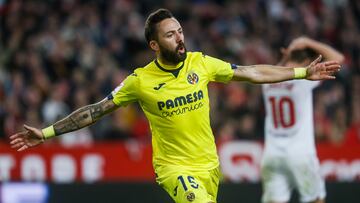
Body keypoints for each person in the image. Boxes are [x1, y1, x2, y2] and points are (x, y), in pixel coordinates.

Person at [10, 9, 340, 203]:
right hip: (174, 170)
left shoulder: (201, 63)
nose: (179, 38)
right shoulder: (139, 81)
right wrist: (48, 132)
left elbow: (251, 72)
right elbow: (95, 110)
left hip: (209, 166)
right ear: (154, 44)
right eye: (170, 35)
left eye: (180, 31)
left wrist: (302, 73)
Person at [261, 37, 344, 203]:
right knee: (315, 199)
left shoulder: (267, 81)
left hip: (272, 153)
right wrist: (307, 42)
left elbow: (274, 70)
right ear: (307, 61)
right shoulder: (303, 78)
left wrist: (286, 57)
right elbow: (339, 59)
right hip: (300, 153)